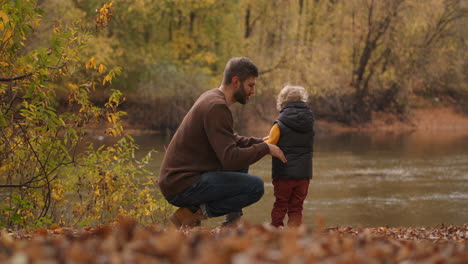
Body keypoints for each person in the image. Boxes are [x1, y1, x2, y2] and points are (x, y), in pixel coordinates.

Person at [158, 57, 287, 228]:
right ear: (235, 82)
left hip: (180, 180)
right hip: (182, 185)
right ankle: (191, 214)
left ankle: (232, 223)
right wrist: (264, 148)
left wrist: (259, 142)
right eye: (250, 85)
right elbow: (230, 158)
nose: (253, 91)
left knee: (243, 162)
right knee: (255, 187)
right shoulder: (216, 107)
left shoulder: (212, 98)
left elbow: (231, 141)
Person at [264, 85, 315, 228]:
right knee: (297, 206)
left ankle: (276, 229)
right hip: (304, 174)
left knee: (280, 204)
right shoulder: (309, 123)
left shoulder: (279, 124)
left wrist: (263, 142)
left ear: (281, 102)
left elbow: (270, 145)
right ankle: (294, 231)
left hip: (284, 174)